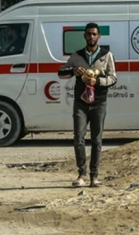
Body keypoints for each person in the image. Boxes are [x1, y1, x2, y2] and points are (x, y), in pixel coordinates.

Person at [57, 23, 117, 188]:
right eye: (89, 34)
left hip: (99, 102)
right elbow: (61, 72)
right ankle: (82, 173)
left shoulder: (107, 55)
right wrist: (73, 72)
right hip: (80, 102)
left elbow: (113, 78)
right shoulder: (77, 56)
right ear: (84, 36)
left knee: (97, 140)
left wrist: (96, 81)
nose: (91, 37)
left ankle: (94, 176)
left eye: (94, 34)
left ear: (99, 37)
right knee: (79, 137)